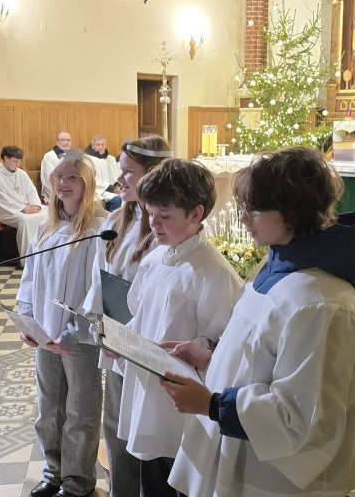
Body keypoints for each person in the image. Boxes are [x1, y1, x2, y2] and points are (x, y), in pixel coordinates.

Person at [160, 147, 355, 497]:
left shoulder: (321, 301)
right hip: (239, 452)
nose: (242, 220)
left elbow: (305, 416)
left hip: (273, 479)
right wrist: (211, 360)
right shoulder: (279, 268)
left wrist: (211, 405)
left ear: (292, 209)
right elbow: (266, 359)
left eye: (252, 209)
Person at [118, 158, 244, 497]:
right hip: (149, 388)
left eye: (165, 215)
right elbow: (139, 313)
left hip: (184, 402)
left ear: (195, 213)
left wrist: (200, 347)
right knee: (153, 476)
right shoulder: (155, 257)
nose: (154, 224)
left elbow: (225, 344)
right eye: (149, 213)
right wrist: (119, 341)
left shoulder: (213, 272)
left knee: (181, 479)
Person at [80, 135, 173, 497]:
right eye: (120, 171)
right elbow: (99, 276)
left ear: (153, 175)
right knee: (117, 430)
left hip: (149, 349)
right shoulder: (119, 216)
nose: (122, 180)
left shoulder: (166, 229)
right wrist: (100, 322)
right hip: (117, 343)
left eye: (129, 173)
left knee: (150, 436)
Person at [17, 150, 107, 497]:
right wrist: (28, 322)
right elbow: (29, 279)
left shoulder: (99, 229)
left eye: (72, 177)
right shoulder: (45, 227)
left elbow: (97, 290)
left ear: (87, 182)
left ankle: (77, 482)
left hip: (77, 338)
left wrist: (71, 331)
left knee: (80, 411)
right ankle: (52, 473)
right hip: (45, 335)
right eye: (59, 178)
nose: (64, 184)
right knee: (48, 409)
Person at [0, 145, 48, 257]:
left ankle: (45, 253)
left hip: (26, 207)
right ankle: (29, 257)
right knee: (24, 220)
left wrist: (36, 205)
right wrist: (23, 209)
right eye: (15, 161)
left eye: (19, 161)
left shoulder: (21, 173)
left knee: (48, 213)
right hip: (5, 211)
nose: (18, 165)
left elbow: (32, 192)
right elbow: (1, 200)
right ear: (5, 158)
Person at [84, 134, 123, 211]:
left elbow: (116, 175)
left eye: (102, 144)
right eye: (98, 145)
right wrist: (111, 188)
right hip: (96, 191)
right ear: (92, 146)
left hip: (111, 190)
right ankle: (112, 222)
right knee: (116, 199)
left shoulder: (110, 158)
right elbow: (91, 179)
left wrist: (117, 185)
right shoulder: (88, 159)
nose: (100, 147)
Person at [40, 131, 72, 204]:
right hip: (56, 195)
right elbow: (49, 180)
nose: (66, 142)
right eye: (62, 140)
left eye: (68, 140)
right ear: (57, 142)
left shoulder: (74, 156)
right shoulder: (49, 157)